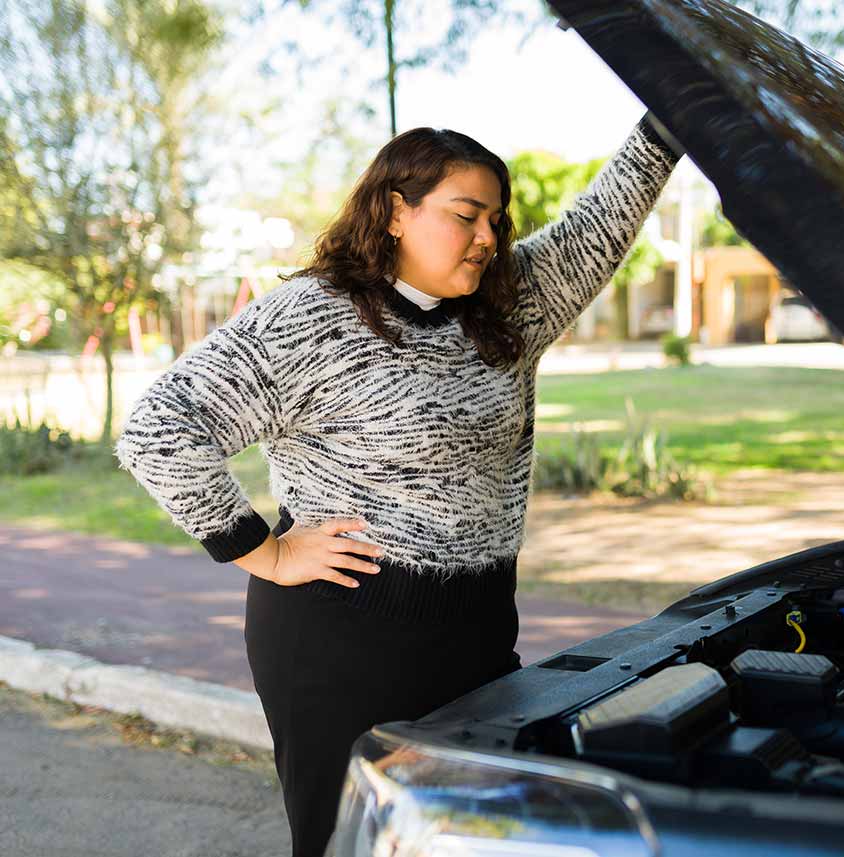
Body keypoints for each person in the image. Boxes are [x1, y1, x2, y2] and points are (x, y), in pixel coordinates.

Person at [113, 110, 683, 857]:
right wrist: (267, 552)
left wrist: (677, 113)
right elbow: (158, 430)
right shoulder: (310, 317)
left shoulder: (509, 306)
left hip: (478, 628)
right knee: (352, 843)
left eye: (497, 219)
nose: (488, 236)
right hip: (341, 639)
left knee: (471, 840)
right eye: (466, 215)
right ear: (393, 212)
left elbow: (602, 219)